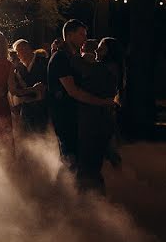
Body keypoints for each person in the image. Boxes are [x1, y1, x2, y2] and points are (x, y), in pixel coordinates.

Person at [48, 20, 117, 167]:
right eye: (81, 34)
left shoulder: (71, 58)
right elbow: (74, 91)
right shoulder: (60, 58)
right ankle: (64, 190)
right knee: (70, 162)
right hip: (65, 117)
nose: (85, 38)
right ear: (69, 35)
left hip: (75, 117)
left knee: (77, 161)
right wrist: (103, 102)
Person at [76, 37, 126, 194]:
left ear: (110, 53)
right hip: (102, 116)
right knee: (103, 153)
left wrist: (83, 59)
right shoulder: (107, 67)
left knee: (98, 155)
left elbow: (96, 79)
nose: (97, 50)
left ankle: (99, 195)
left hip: (101, 117)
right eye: (98, 47)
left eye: (101, 48)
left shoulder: (109, 68)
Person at [12, 40, 48, 133]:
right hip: (27, 109)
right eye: (17, 51)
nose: (19, 54)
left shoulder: (43, 62)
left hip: (44, 107)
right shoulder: (18, 68)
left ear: (28, 48)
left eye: (21, 49)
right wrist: (32, 90)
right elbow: (17, 90)